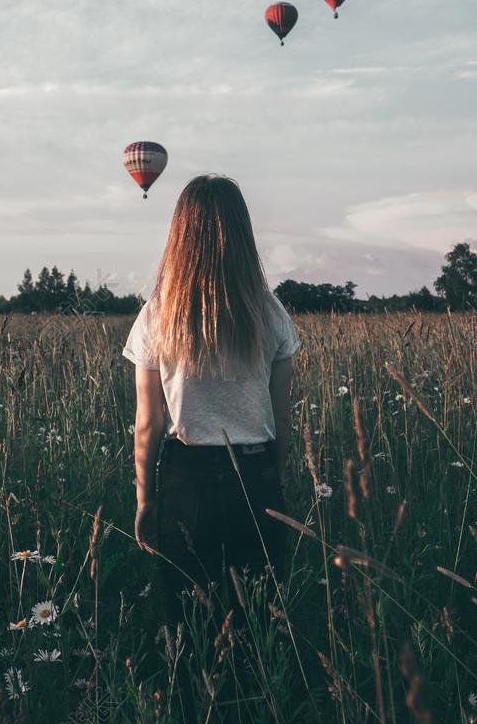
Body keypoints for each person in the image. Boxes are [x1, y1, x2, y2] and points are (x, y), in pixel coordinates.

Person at [122, 174, 300, 721]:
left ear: (181, 233)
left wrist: (145, 499)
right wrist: (279, 482)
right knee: (258, 630)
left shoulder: (159, 313)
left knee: (186, 632)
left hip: (186, 481)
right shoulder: (268, 312)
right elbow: (283, 419)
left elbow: (148, 427)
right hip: (257, 478)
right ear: (242, 233)